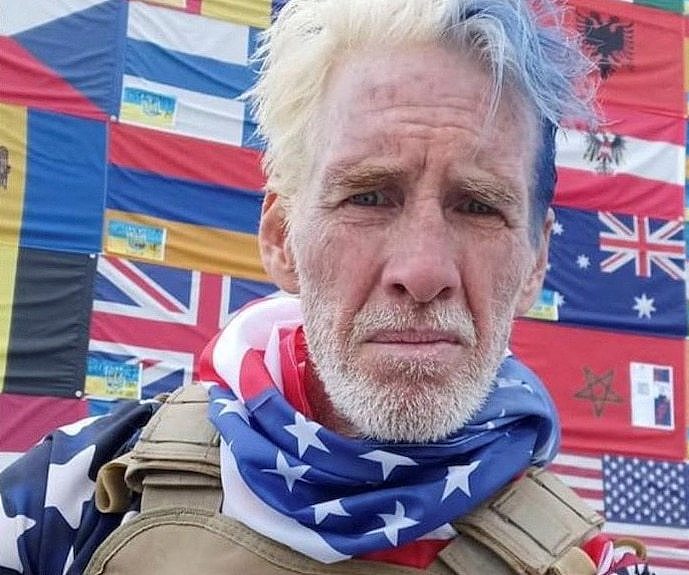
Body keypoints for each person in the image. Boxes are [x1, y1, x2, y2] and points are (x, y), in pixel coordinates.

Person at [0, 1, 652, 573]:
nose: (422, 271)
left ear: (536, 261)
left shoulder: (588, 564)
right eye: (368, 196)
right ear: (283, 236)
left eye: (479, 205)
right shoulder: (88, 492)